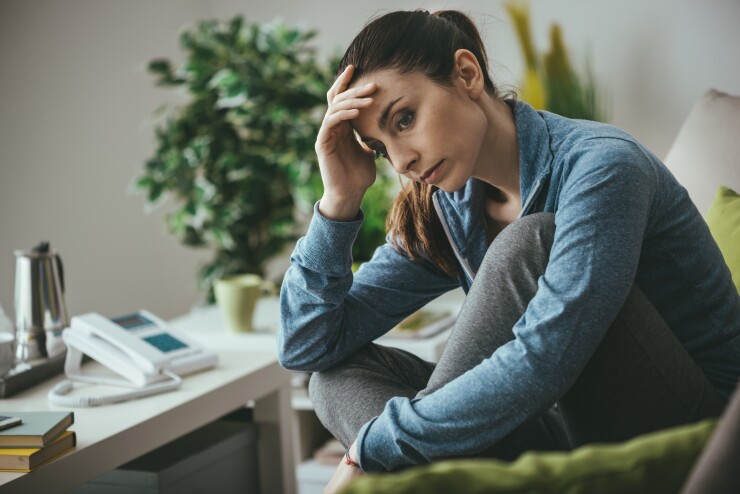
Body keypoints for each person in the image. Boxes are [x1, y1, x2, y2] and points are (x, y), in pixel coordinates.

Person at [278, 9, 740, 493]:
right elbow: (307, 346)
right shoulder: (450, 206)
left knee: (530, 240)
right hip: (564, 427)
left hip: (692, 434)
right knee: (332, 380)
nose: (402, 160)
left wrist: (370, 449)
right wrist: (339, 199)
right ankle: (448, 477)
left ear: (467, 73)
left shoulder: (603, 167)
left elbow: (543, 359)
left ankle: (438, 480)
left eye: (405, 119)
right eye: (379, 147)